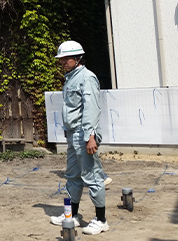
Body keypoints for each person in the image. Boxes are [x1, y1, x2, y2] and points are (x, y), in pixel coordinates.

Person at [50, 40, 109, 235]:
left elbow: (91, 108)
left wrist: (90, 136)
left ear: (77, 58)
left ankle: (101, 220)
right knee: (73, 176)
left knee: (91, 177)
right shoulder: (70, 78)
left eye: (66, 59)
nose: (62, 62)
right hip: (73, 135)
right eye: (61, 59)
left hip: (84, 135)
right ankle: (72, 215)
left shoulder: (87, 78)